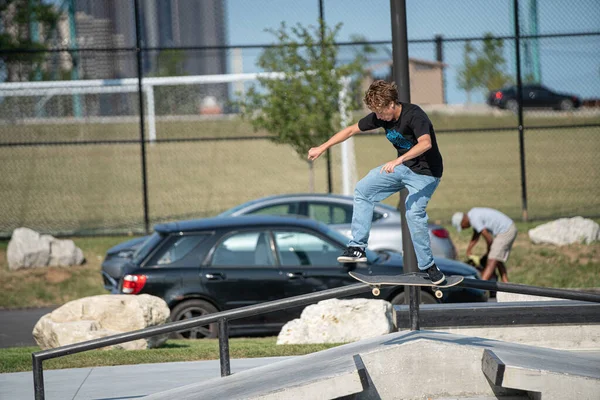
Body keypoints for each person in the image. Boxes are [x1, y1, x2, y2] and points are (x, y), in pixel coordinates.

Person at [307, 80, 445, 284]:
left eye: (380, 112)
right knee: (363, 190)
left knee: (413, 213)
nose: (378, 118)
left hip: (426, 174)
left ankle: (429, 267)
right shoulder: (381, 116)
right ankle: (357, 247)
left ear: (391, 104)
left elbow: (426, 143)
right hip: (402, 168)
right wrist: (322, 147)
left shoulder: (415, 115)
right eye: (376, 114)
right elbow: (350, 130)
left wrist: (399, 159)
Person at [451, 208, 517, 283]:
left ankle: (481, 287)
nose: (464, 228)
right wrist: (469, 249)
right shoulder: (472, 214)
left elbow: (489, 239)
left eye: (462, 226)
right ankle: (506, 283)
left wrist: (488, 252)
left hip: (505, 230)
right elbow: (476, 234)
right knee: (496, 258)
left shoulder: (474, 219)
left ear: (463, 221)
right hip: (508, 227)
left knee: (492, 259)